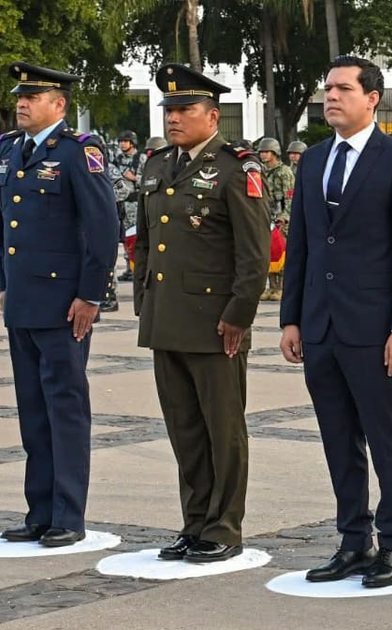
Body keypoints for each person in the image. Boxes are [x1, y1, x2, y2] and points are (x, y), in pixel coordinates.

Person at [280, 55, 392, 589]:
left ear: (373, 98)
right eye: (327, 88)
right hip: (320, 327)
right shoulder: (314, 160)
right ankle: (352, 540)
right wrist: (291, 318)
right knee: (338, 439)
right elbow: (300, 244)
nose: (331, 96)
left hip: (375, 331)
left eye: (343, 88)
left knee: (387, 440)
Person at [133, 63, 270, 563]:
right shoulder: (156, 166)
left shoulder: (236, 168)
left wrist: (238, 315)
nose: (173, 118)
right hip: (167, 320)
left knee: (223, 430)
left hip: (216, 325)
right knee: (185, 430)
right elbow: (144, 244)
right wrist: (145, 302)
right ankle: (194, 523)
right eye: (169, 109)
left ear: (213, 116)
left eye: (185, 109)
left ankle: (225, 526)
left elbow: (253, 256)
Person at [0, 62, 119, 547]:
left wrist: (90, 295)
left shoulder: (78, 152)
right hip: (23, 302)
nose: (22, 103)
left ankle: (68, 515)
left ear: (59, 104)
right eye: (19, 97)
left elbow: (103, 226)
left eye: (32, 96)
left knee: (64, 409)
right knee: (32, 410)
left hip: (64, 305)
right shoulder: (8, 150)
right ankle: (40, 511)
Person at [256, 137, 295, 302]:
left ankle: (281, 287)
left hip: (281, 217)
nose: (263, 155)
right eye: (262, 152)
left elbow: (290, 195)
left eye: (267, 152)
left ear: (275, 153)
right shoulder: (262, 171)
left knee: (282, 253)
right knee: (268, 253)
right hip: (266, 215)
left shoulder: (284, 172)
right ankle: (271, 287)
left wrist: (285, 216)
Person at [110, 130, 145, 287]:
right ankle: (130, 269)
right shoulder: (117, 159)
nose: (122, 143)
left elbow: (150, 179)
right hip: (120, 204)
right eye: (121, 141)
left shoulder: (141, 159)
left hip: (135, 204)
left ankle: (137, 267)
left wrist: (135, 178)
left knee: (135, 236)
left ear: (132, 142)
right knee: (124, 237)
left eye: (126, 140)